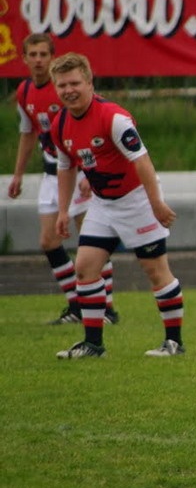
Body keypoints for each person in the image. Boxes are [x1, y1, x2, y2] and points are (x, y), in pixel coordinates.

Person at [48, 52, 185, 359]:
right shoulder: (59, 124)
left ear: (89, 82)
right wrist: (63, 211)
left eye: (74, 83)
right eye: (62, 85)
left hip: (136, 201)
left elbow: (142, 160)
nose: (68, 90)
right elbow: (66, 167)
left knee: (155, 271)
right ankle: (94, 345)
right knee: (84, 269)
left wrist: (156, 204)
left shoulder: (114, 118)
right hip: (103, 204)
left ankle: (174, 343)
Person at [7, 33, 119, 325]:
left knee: (92, 239)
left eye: (44, 54)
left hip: (78, 168)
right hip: (51, 172)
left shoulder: (70, 93)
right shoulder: (25, 92)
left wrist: (90, 172)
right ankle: (76, 304)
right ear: (25, 59)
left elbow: (92, 129)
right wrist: (18, 173)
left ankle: (106, 306)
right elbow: (28, 133)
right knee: (48, 240)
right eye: (33, 54)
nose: (39, 60)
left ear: (52, 57)